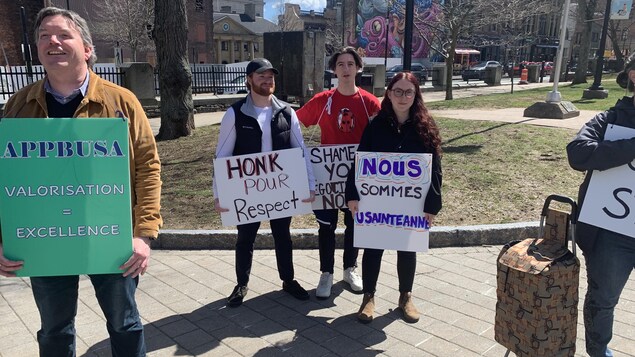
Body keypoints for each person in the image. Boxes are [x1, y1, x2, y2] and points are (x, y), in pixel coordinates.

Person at [0, 7, 162, 356]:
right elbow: (5, 177)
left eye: (63, 34)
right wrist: (4, 240)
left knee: (125, 324)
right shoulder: (17, 106)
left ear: (87, 49)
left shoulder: (122, 103)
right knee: (54, 330)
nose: (52, 41)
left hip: (112, 238)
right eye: (44, 35)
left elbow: (148, 167)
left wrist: (144, 234)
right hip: (45, 239)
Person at [214, 58, 316, 307]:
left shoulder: (287, 112)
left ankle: (288, 280)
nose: (267, 79)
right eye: (261, 75)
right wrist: (219, 194)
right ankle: (241, 284)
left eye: (270, 75)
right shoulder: (235, 114)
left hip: (280, 187)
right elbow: (222, 155)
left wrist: (309, 184)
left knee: (283, 235)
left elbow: (300, 149)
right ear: (249, 79)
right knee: (245, 237)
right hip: (248, 191)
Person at [345, 72, 442, 323]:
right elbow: (360, 161)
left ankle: (405, 296)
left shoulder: (425, 127)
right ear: (389, 93)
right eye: (397, 91)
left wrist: (432, 203)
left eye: (408, 92)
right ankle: (368, 297)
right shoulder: (376, 125)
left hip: (411, 202)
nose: (403, 96)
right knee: (373, 248)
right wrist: (353, 194)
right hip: (377, 201)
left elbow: (435, 169)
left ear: (416, 95)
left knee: (407, 249)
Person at [296, 46, 380, 299]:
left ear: (358, 68)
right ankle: (326, 273)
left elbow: (380, 135)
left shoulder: (369, 102)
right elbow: (295, 124)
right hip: (326, 175)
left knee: (354, 225)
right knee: (326, 227)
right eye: (341, 64)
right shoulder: (323, 101)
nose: (346, 69)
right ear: (334, 69)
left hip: (357, 176)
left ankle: (349, 269)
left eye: (350, 64)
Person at [566, 53, 635, 357]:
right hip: (613, 232)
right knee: (603, 299)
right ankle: (599, 351)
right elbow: (578, 153)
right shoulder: (609, 119)